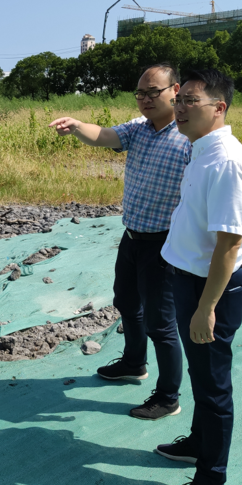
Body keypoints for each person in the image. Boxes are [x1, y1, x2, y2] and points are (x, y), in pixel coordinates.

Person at [49, 63, 190, 421]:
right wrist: (77, 125)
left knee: (162, 322)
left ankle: (168, 396)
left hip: (164, 244)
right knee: (126, 300)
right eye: (140, 93)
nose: (145, 99)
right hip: (133, 235)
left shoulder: (189, 136)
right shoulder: (139, 129)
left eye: (153, 92)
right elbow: (105, 136)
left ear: (175, 90)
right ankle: (133, 362)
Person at [156, 69, 242, 485]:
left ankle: (211, 480)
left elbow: (228, 247)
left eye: (190, 101)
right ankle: (199, 443)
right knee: (201, 376)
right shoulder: (200, 149)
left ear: (220, 107)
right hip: (188, 280)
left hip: (209, 290)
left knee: (214, 387)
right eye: (179, 100)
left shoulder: (228, 162)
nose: (179, 108)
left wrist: (206, 308)